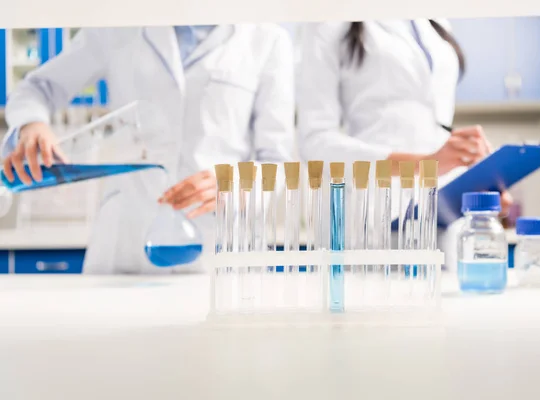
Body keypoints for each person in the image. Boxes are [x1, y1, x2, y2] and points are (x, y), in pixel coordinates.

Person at [1, 24, 294, 274]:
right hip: (126, 240)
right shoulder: (121, 26)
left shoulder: (266, 39)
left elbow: (279, 161)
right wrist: (31, 124)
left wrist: (236, 183)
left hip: (217, 249)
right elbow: (36, 88)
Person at [296, 20, 512, 266]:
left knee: (446, 299)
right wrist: (423, 164)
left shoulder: (434, 21)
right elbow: (315, 143)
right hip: (373, 216)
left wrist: (476, 177)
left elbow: (430, 130)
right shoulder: (330, 23)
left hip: (441, 214)